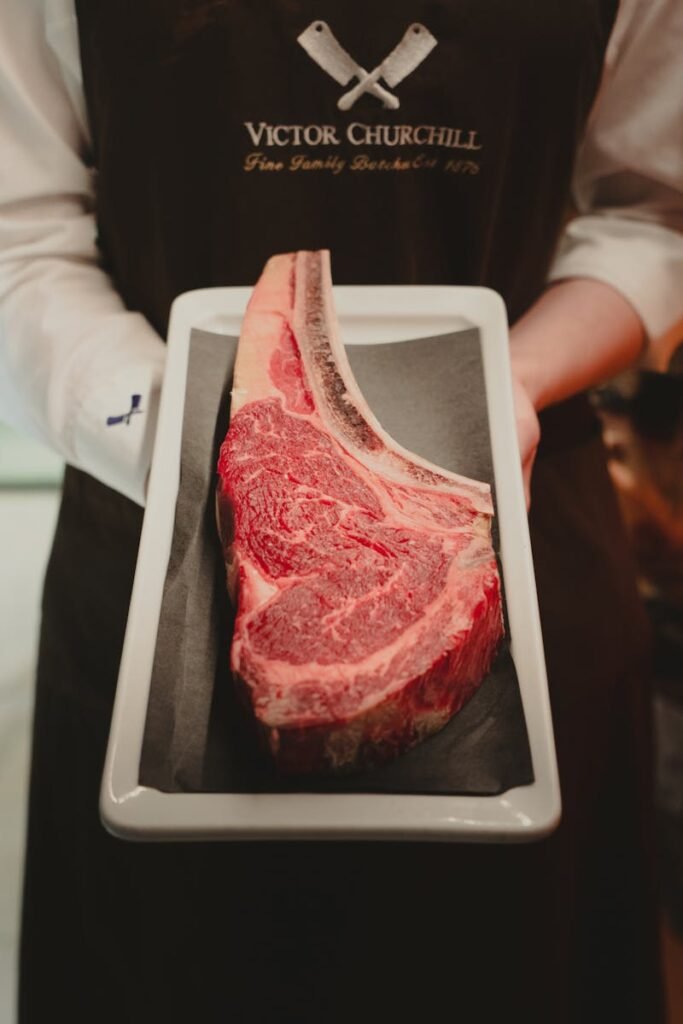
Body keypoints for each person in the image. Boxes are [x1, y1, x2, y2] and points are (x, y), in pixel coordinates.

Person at [1, 0, 682, 1021]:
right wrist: (208, 436)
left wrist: (510, 381)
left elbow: (652, 212)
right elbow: (18, 231)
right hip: (151, 515)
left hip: (517, 502)